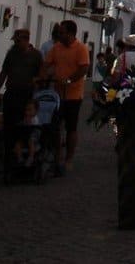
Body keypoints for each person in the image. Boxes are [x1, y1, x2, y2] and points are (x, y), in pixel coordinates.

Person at [44, 20, 90, 174]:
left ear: (70, 33)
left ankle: (69, 158)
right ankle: (56, 156)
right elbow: (47, 64)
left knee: (71, 127)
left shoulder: (81, 48)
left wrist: (69, 80)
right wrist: (41, 76)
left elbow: (84, 68)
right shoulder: (56, 48)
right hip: (57, 94)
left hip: (73, 95)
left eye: (62, 32)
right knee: (55, 126)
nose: (59, 34)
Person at [0, 28, 43, 142]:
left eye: (18, 41)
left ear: (26, 40)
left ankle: (19, 147)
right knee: (8, 122)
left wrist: (37, 81)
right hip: (11, 92)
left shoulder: (36, 55)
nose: (15, 44)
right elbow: (4, 72)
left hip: (26, 94)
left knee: (22, 123)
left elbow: (41, 73)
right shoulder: (11, 53)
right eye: (15, 41)